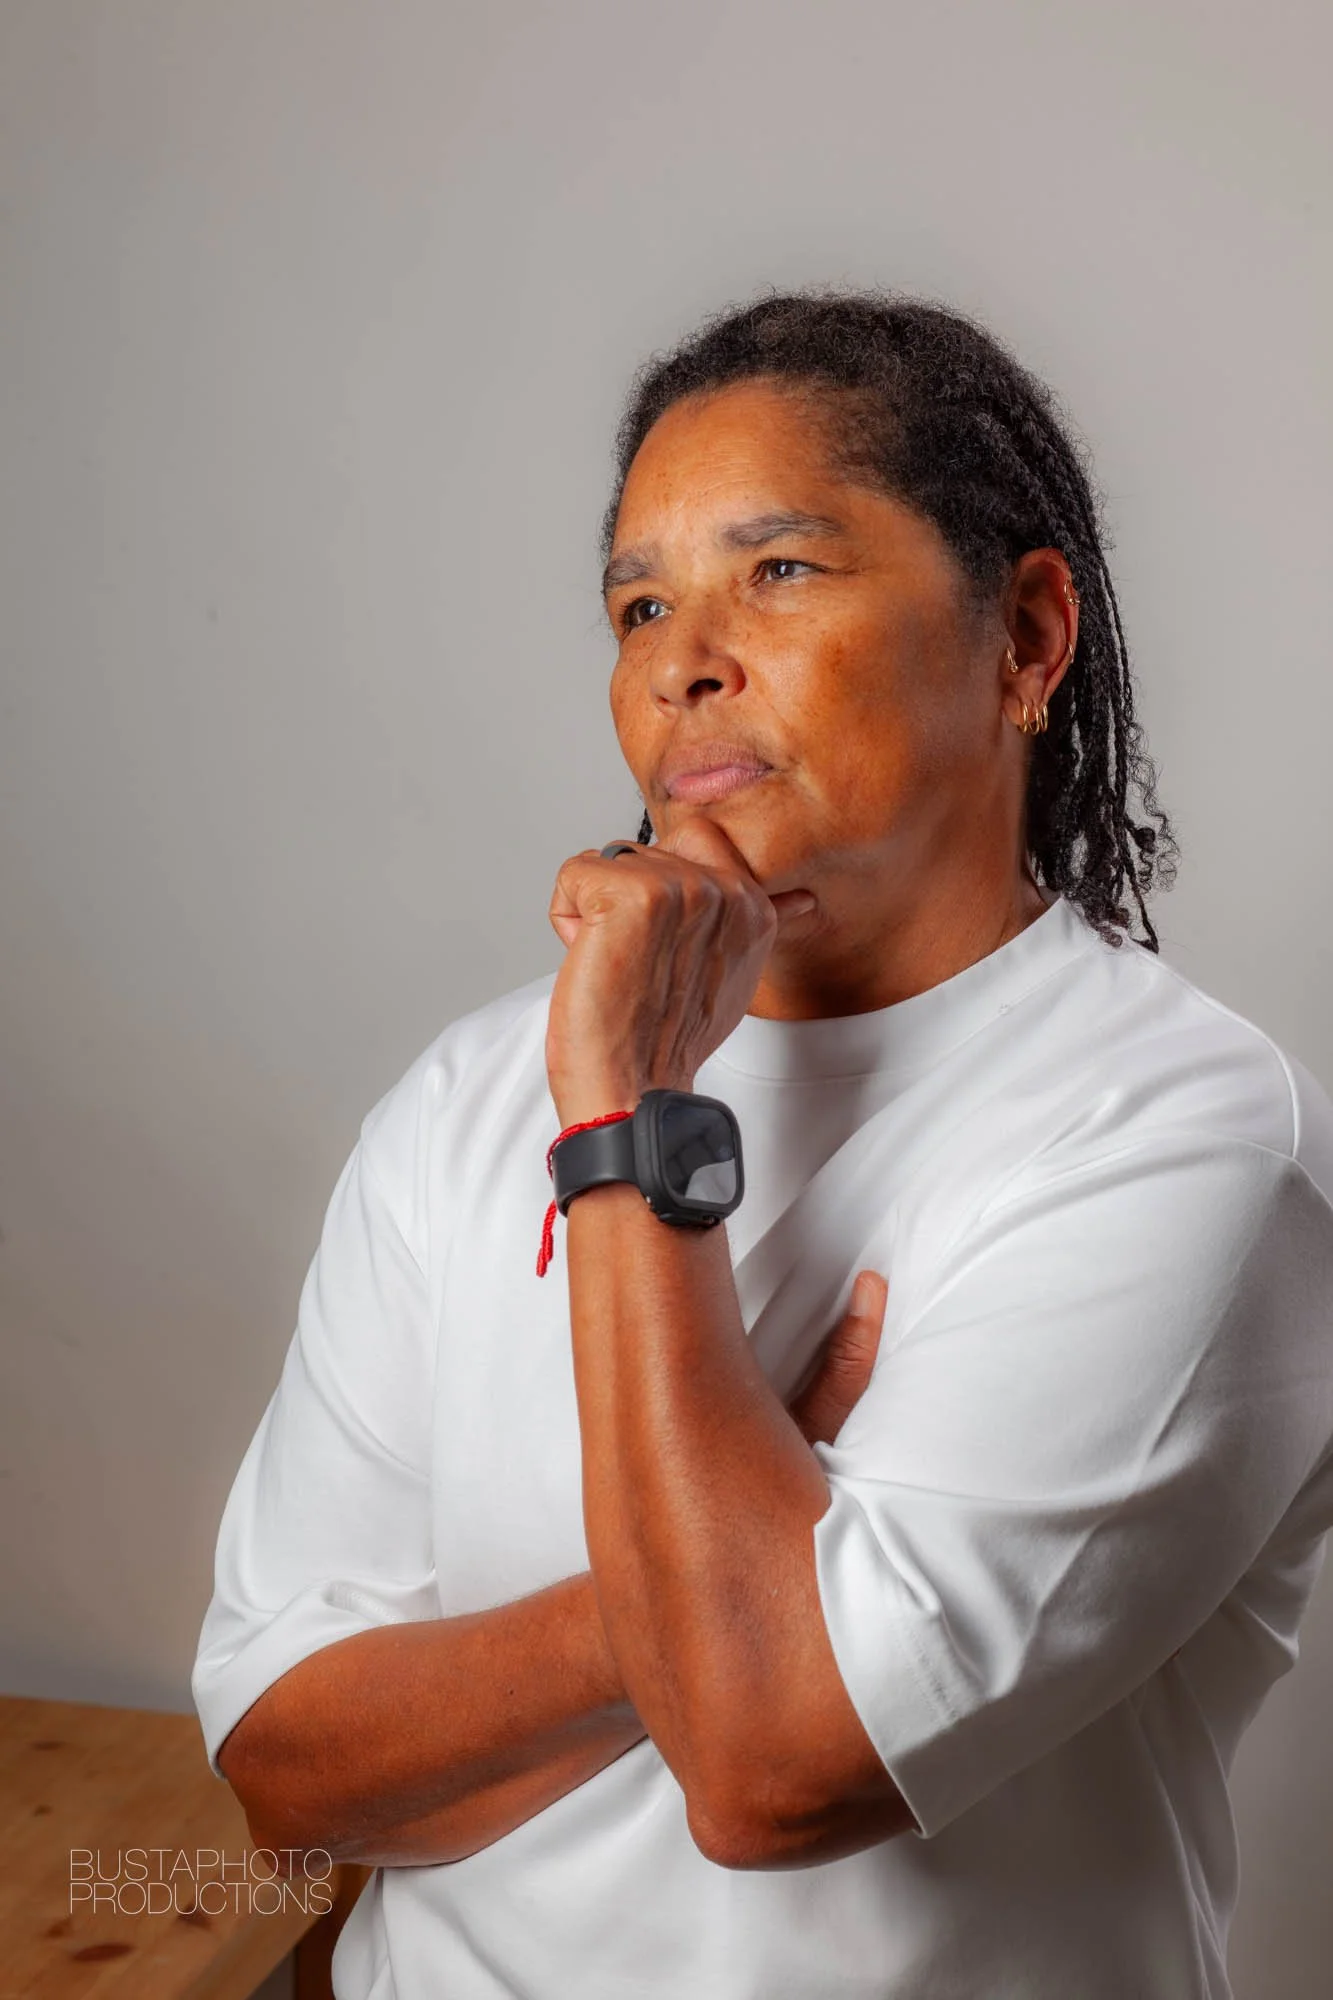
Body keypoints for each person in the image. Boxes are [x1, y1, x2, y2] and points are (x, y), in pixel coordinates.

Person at [193, 289, 1333, 2000]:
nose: (680, 659)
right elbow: (288, 1780)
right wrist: (708, 1567)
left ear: (1028, 639)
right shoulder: (466, 1094)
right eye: (640, 605)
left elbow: (767, 1761)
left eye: (778, 570)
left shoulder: (1187, 1142)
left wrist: (631, 1122)